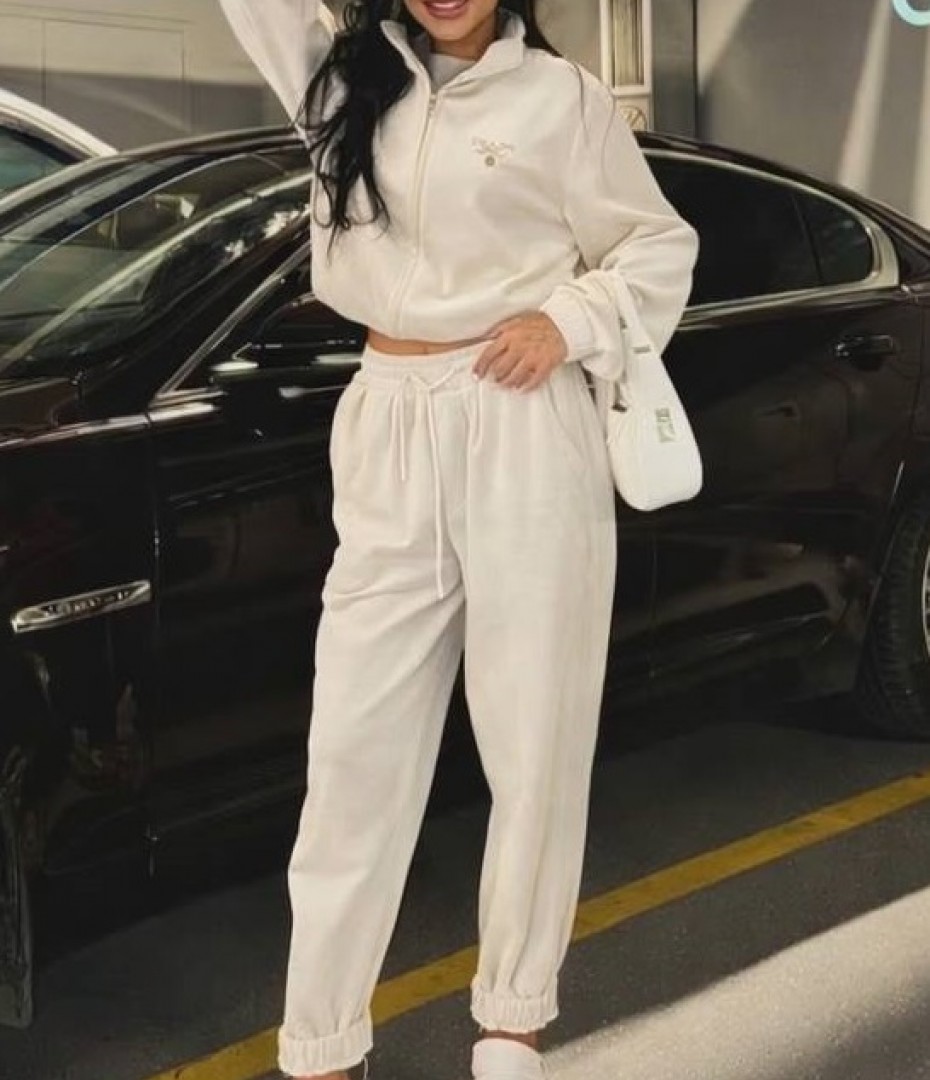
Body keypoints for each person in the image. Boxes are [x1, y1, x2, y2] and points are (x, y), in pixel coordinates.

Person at [218, 2, 699, 1078]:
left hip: (522, 417)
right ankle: (322, 1043)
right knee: (353, 753)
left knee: (535, 737)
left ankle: (512, 1023)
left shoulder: (562, 99)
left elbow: (658, 243)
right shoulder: (342, 82)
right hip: (388, 417)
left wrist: (569, 321)